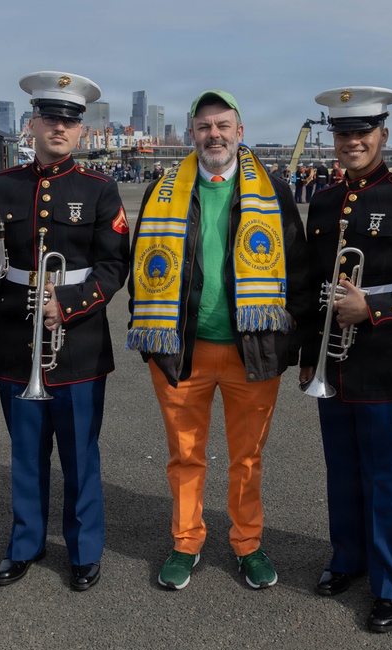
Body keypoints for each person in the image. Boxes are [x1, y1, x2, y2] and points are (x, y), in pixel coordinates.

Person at [127, 90, 313, 591]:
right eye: (205, 126)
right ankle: (186, 542)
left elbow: (298, 271)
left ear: (240, 132)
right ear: (192, 133)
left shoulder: (271, 190)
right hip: (181, 349)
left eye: (223, 125)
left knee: (246, 457)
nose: (214, 134)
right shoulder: (163, 189)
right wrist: (149, 337)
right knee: (185, 454)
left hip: (252, 350)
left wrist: (294, 340)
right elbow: (141, 270)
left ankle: (247, 543)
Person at [298, 87, 392, 632]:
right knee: (341, 470)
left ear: (383, 134)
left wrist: (376, 307)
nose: (353, 142)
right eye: (343, 134)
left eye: (363, 132)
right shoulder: (322, 200)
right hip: (334, 362)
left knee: (387, 476)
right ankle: (348, 558)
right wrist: (308, 352)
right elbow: (311, 284)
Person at [0, 71, 130, 592]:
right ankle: (25, 543)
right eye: (51, 119)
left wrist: (68, 303)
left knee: (80, 453)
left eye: (70, 121)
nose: (60, 128)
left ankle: (85, 550)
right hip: (16, 335)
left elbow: (114, 267)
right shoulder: (0, 186)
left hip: (80, 340)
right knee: (25, 449)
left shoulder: (100, 188)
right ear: (32, 123)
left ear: (81, 131)